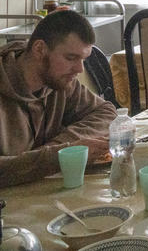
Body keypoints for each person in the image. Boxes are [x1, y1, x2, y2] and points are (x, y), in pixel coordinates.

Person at [0, 10, 116, 186]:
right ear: (40, 49)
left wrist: (60, 148)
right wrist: (59, 155)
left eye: (83, 59)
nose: (80, 70)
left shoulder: (59, 82)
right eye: (71, 58)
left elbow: (106, 112)